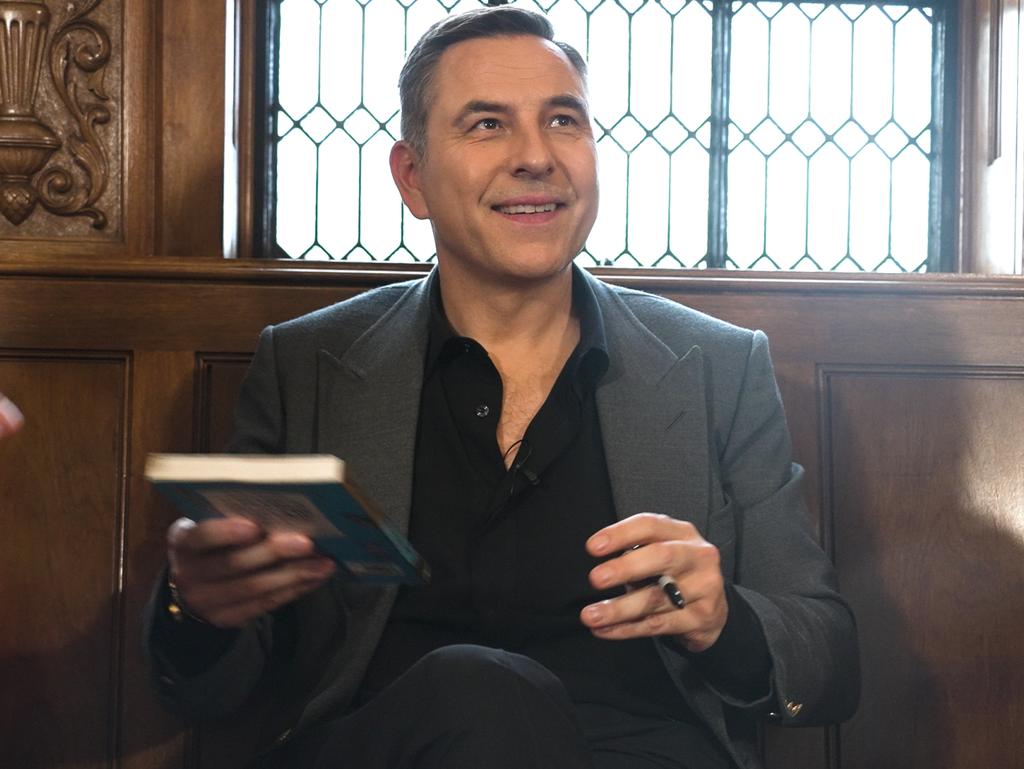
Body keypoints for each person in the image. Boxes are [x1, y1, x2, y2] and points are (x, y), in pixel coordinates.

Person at [144, 8, 858, 769]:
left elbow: (830, 664)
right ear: (412, 178)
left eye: (562, 121)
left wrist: (726, 620)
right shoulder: (306, 363)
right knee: (480, 691)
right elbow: (210, 690)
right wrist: (199, 609)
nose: (535, 156)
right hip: (391, 749)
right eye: (487, 124)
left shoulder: (720, 365)